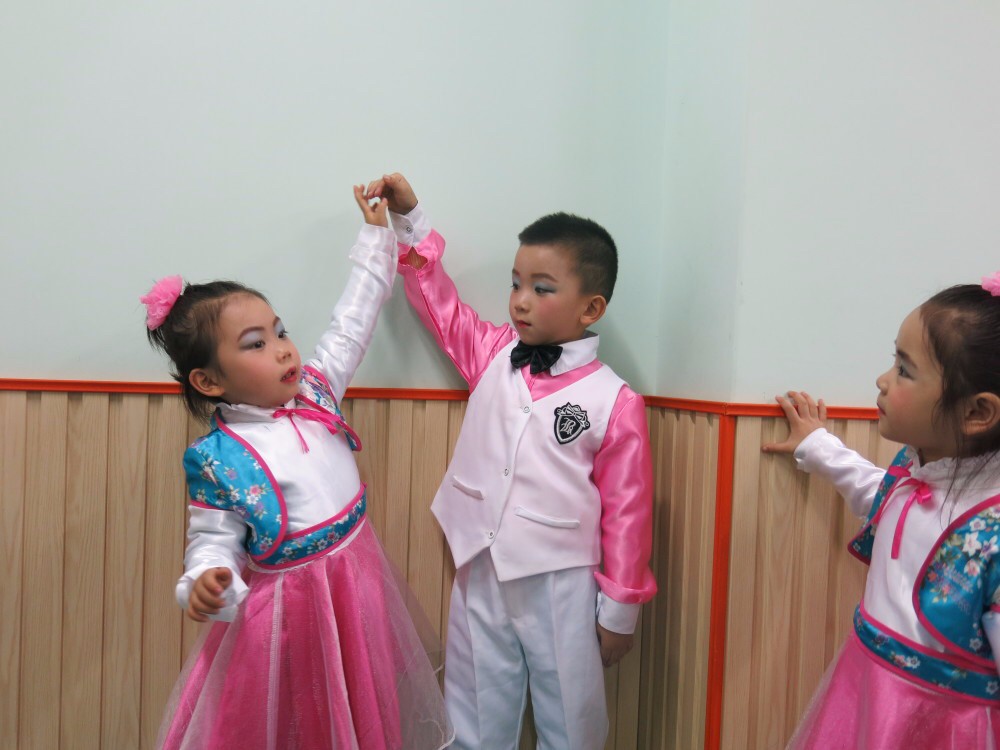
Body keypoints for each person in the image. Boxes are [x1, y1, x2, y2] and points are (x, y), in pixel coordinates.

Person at [146, 186, 453, 750]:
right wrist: (206, 580)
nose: (284, 348)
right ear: (209, 382)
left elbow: (352, 320)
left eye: (281, 331)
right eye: (256, 344)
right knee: (296, 721)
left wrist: (376, 235)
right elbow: (212, 541)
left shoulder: (317, 390)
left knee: (361, 711)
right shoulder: (221, 459)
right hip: (287, 619)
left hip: (356, 591)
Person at [365, 173, 657, 749]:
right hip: (479, 562)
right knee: (472, 710)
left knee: (571, 718)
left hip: (562, 579)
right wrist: (410, 220)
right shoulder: (493, 352)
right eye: (516, 283)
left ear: (591, 307)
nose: (521, 299)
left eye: (542, 288)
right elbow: (440, 305)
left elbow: (629, 514)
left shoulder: (615, 400)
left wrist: (618, 611)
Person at [762, 277, 1000, 749]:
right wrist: (818, 445)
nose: (882, 380)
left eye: (905, 370)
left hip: (942, 726)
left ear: (977, 413)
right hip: (863, 694)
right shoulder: (915, 471)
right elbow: (881, 497)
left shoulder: (991, 531)